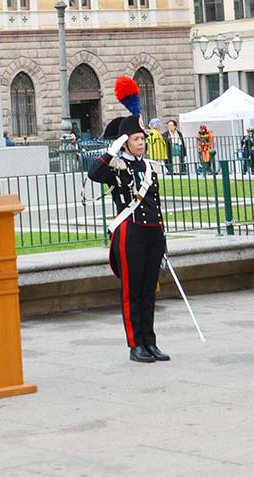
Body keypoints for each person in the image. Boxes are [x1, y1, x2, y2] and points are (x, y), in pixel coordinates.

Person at [88, 113, 170, 363]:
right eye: (136, 139)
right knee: (132, 291)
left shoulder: (148, 166)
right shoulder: (116, 167)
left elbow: (154, 203)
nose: (142, 142)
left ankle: (150, 342)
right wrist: (110, 152)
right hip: (130, 233)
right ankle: (136, 345)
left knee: (148, 291)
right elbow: (94, 173)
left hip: (153, 232)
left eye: (142, 138)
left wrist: (163, 241)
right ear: (125, 143)